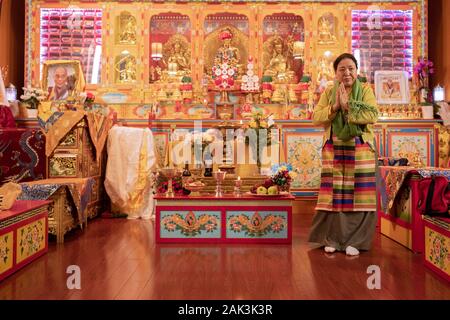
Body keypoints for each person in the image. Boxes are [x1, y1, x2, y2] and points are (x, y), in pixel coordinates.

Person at [308, 53, 379, 256]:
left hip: (360, 147)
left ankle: (356, 241)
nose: (347, 73)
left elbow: (372, 114)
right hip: (334, 147)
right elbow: (316, 118)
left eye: (351, 68)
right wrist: (335, 107)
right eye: (342, 69)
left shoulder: (365, 90)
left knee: (360, 195)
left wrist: (349, 107)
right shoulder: (329, 92)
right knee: (335, 195)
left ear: (357, 71)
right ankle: (332, 239)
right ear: (336, 73)